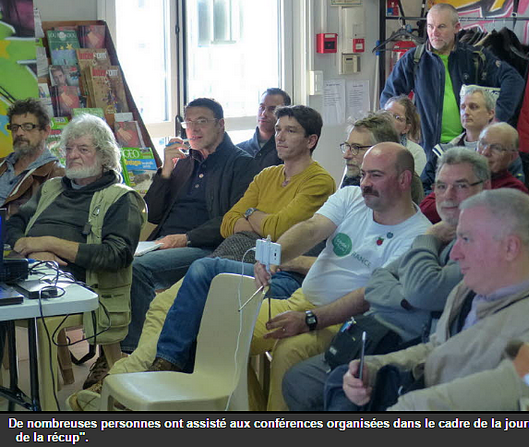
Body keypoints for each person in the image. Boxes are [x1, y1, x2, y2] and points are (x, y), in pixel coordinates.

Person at [66, 105, 335, 411]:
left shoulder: (318, 181)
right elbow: (229, 220)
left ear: (311, 140)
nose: (280, 137)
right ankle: (122, 379)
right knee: (161, 306)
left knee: (201, 272)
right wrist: (252, 217)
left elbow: (279, 230)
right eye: (279, 129)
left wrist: (250, 217)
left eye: (291, 131)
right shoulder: (265, 174)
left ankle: (159, 371)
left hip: (267, 269)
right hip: (236, 254)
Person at [325, 189, 529, 411]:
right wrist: (374, 367)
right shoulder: (470, 289)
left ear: (510, 247)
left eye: (466, 239)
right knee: (342, 379)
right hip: (420, 391)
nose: (456, 253)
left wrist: (403, 407)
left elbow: (495, 393)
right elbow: (437, 347)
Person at [282, 147, 491, 411]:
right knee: (300, 380)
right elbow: (379, 282)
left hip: (415, 341)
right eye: (441, 186)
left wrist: (427, 241)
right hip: (383, 327)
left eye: (460, 186)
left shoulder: (474, 240)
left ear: (485, 188)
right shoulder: (446, 234)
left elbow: (422, 292)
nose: (448, 196)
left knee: (320, 381)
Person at [120, 98, 257, 361]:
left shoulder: (241, 164)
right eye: (189, 123)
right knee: (115, 258)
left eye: (202, 122)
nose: (193, 129)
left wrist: (187, 237)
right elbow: (154, 211)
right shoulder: (185, 162)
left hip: (205, 248)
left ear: (221, 125)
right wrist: (166, 171)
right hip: (163, 243)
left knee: (138, 270)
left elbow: (233, 219)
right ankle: (118, 349)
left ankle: (137, 354)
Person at [5, 113, 145, 365]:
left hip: (82, 285)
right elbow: (15, 224)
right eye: (69, 148)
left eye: (83, 149)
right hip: (32, 270)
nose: (72, 155)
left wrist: (49, 243)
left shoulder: (121, 198)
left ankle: (42, 398)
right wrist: (29, 251)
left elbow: (117, 255)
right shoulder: (53, 187)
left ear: (104, 156)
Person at [379, 3, 524, 160]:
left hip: (470, 148)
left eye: (441, 27)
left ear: (456, 28)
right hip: (429, 151)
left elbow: (514, 80)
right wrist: (402, 128)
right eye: (430, 26)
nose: (434, 33)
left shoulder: (475, 57)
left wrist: (498, 117)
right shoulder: (414, 59)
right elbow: (388, 97)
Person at [420, 122, 527, 223]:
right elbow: (425, 209)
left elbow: (481, 220)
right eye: (482, 144)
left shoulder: (514, 190)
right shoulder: (463, 174)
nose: (485, 152)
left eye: (497, 148)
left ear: (512, 157)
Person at [419, 85, 496, 193]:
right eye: (463, 107)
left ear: (490, 113)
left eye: (473, 107)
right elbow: (422, 189)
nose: (466, 112)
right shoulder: (443, 151)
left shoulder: (499, 152)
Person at [341, 112, 424, 204]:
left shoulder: (403, 181)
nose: (346, 155)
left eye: (356, 148)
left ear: (380, 150)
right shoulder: (353, 173)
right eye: (347, 146)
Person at [1, 98, 64, 217]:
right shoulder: (2, 165)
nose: (19, 133)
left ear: (45, 131)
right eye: (15, 127)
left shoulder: (57, 176)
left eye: (28, 126)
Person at [237, 88, 291, 170]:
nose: (264, 113)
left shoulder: (289, 151)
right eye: (261, 107)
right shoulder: (239, 150)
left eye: (272, 109)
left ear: (285, 113)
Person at [382, 95, 426, 175]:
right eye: (386, 113)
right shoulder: (368, 142)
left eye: (397, 117)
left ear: (406, 128)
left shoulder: (415, 152)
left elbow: (415, 185)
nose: (389, 119)